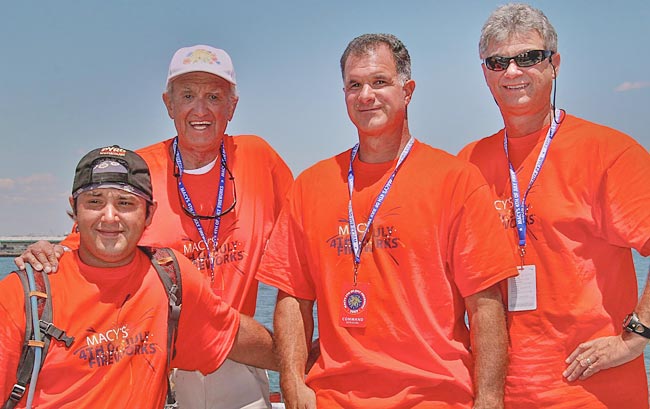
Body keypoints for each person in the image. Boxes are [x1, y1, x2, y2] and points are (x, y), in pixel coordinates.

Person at [15, 45, 293, 409]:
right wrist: (47, 253)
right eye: (188, 95)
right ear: (168, 104)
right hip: (148, 358)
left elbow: (303, 247)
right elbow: (84, 247)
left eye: (213, 96)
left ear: (232, 105)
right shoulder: (138, 171)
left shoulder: (259, 158)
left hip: (234, 354)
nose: (200, 109)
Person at [256, 33, 519, 408]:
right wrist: (293, 382)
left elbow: (486, 304)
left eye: (379, 82)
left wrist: (490, 399)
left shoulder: (455, 179)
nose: (366, 95)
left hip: (434, 396)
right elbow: (292, 298)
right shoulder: (310, 185)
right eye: (354, 85)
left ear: (407, 90)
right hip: (333, 397)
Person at [458, 4, 650, 408]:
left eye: (528, 57)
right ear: (485, 74)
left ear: (554, 64)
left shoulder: (610, 152)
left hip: (594, 393)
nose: (512, 72)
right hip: (494, 394)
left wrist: (637, 336)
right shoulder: (468, 164)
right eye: (498, 62)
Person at [0, 145, 277, 408]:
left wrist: (309, 360)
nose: (109, 217)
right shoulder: (24, 294)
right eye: (94, 202)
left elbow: (232, 336)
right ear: (75, 208)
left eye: (125, 203)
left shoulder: (169, 277)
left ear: (149, 214)